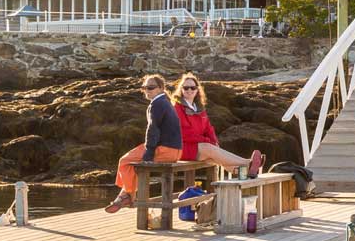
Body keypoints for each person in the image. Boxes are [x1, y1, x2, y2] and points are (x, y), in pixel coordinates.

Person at [106, 75, 183, 213]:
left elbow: (153, 129)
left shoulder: (157, 104)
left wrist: (148, 152)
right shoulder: (166, 102)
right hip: (175, 151)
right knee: (132, 165)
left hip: (165, 150)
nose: (147, 90)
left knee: (124, 161)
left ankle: (128, 195)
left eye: (151, 87)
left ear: (161, 88)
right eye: (144, 88)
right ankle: (125, 195)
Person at [170, 72, 264, 177]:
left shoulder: (199, 109)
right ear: (181, 90)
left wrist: (214, 142)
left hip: (197, 146)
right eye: (186, 88)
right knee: (209, 149)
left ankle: (245, 172)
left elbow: (208, 129)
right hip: (182, 148)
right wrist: (208, 142)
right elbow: (184, 133)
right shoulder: (177, 109)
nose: (189, 90)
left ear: (197, 90)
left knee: (215, 156)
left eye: (192, 87)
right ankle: (248, 163)